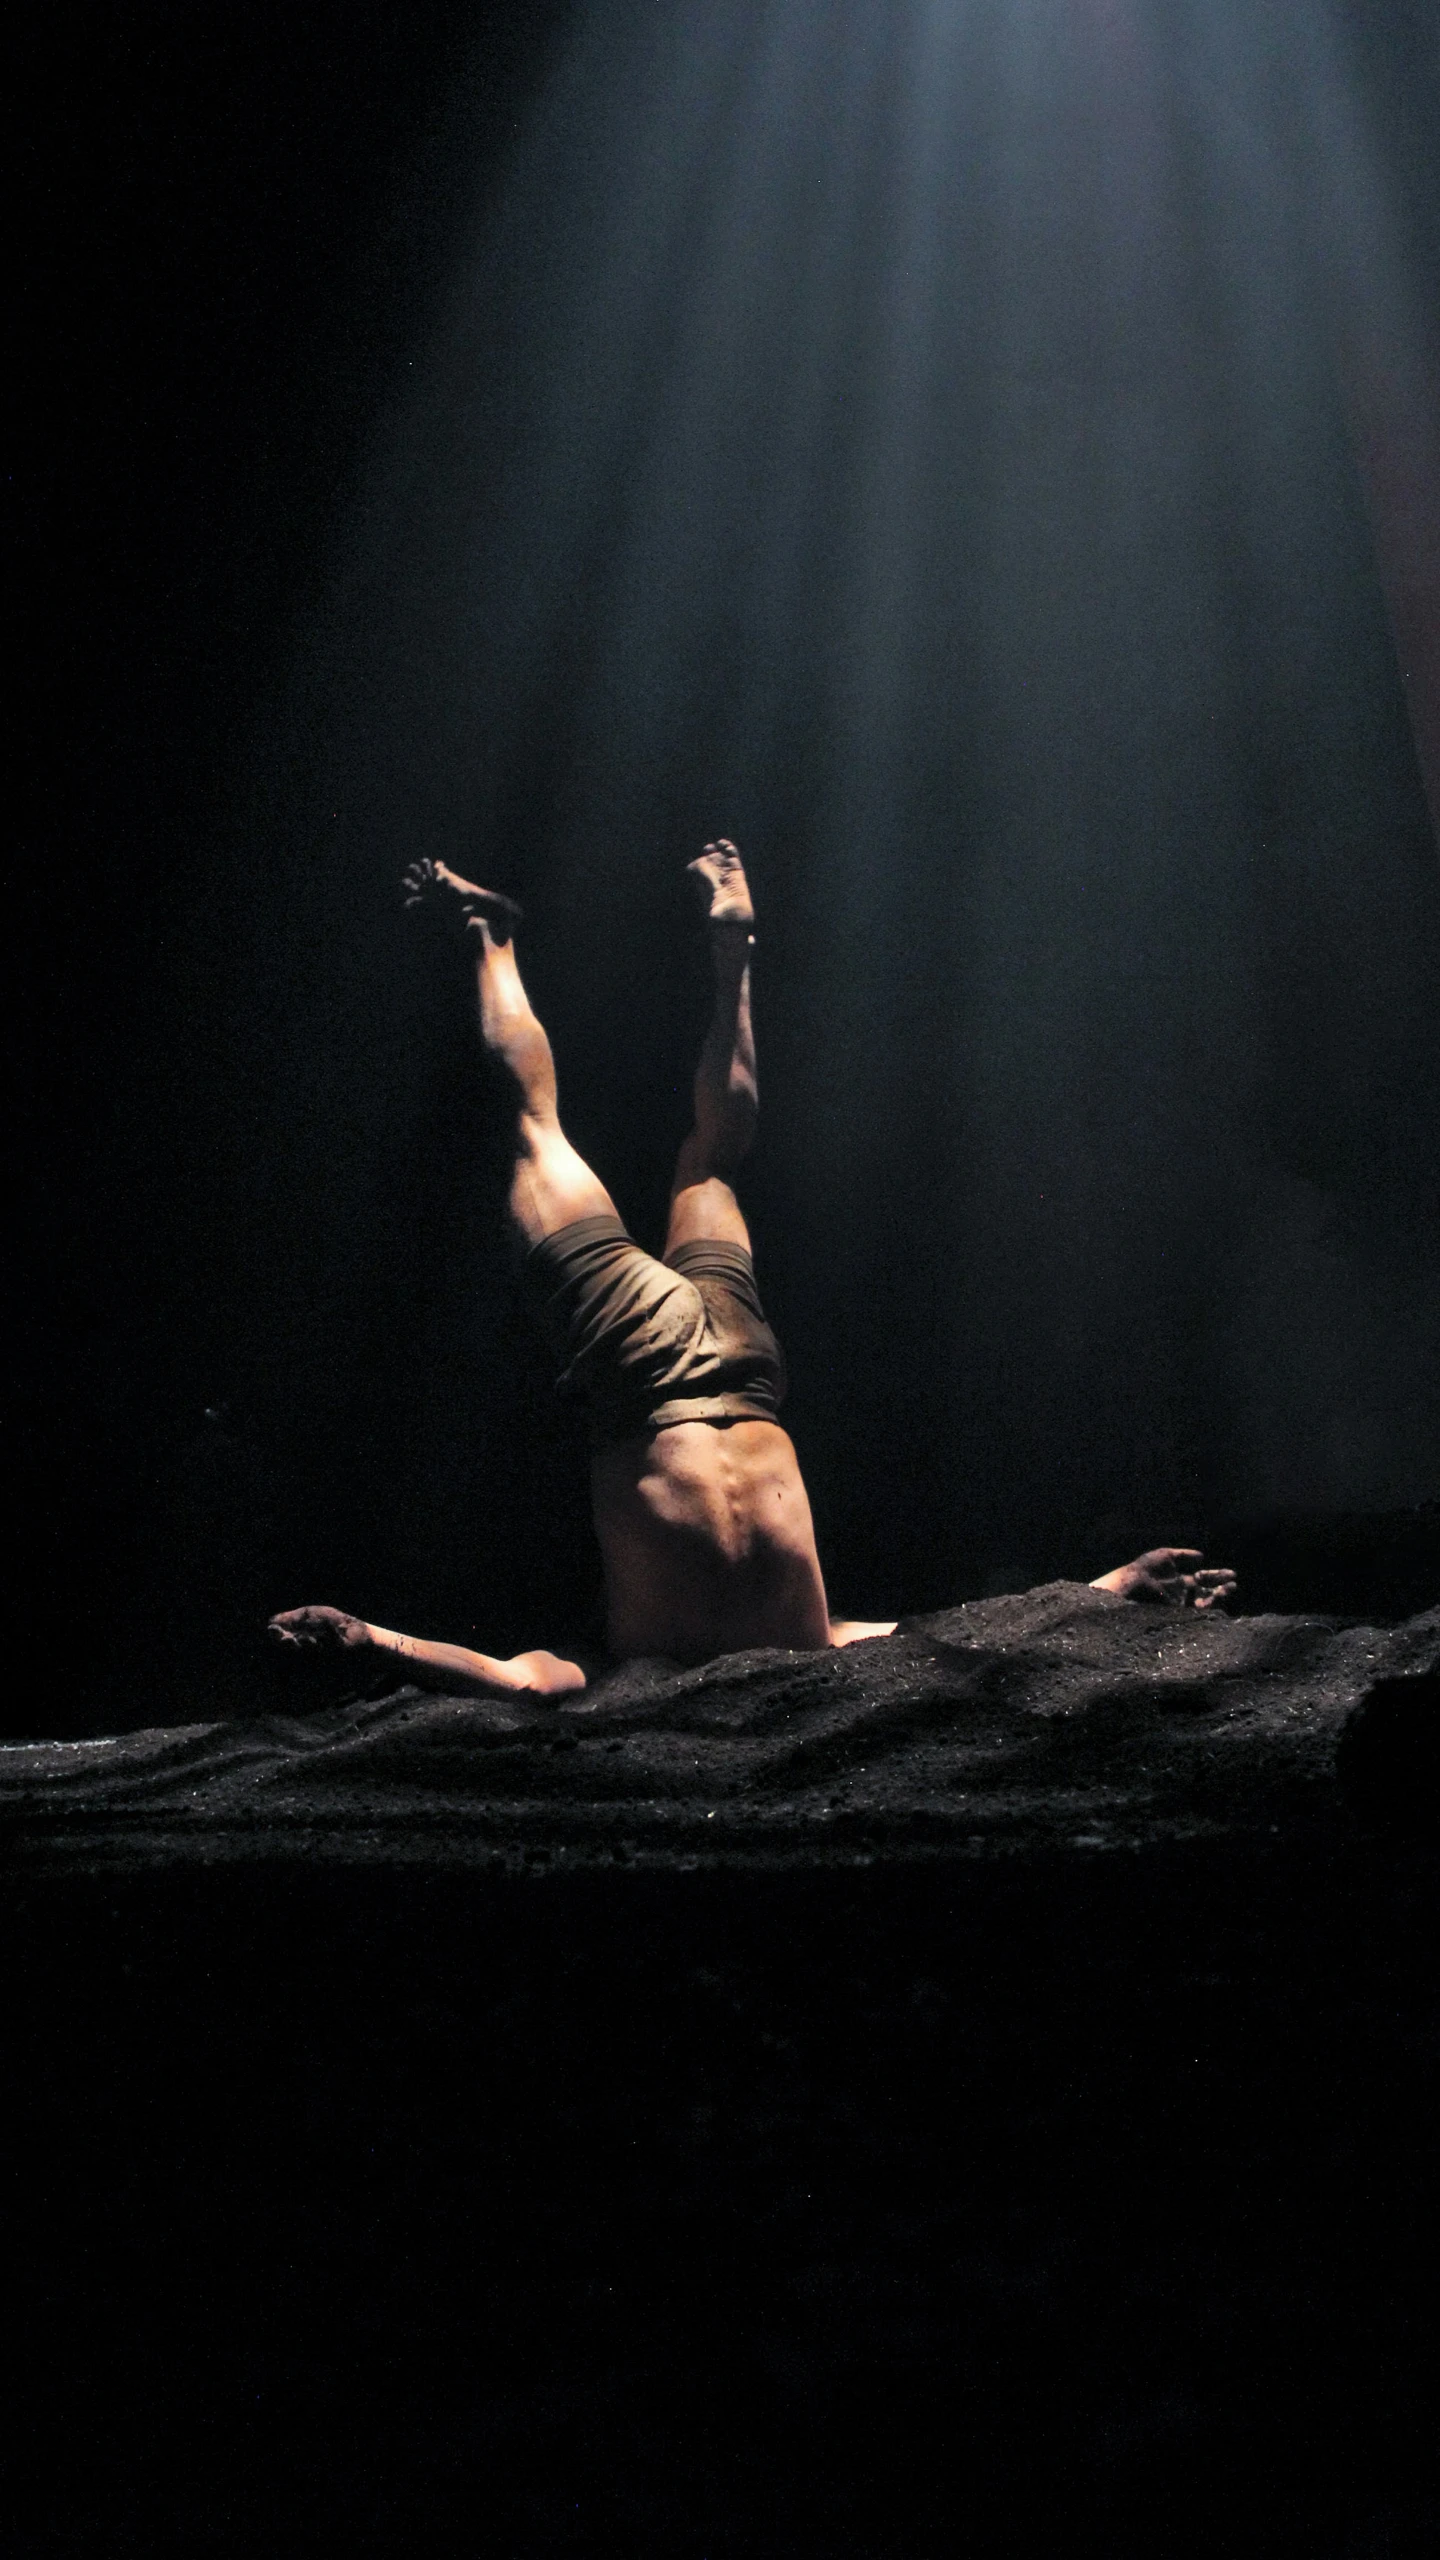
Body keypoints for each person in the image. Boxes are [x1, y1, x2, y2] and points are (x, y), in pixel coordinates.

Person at [270, 842, 1235, 1699]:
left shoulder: (629, 1669)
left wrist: (374, 1637)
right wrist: (1105, 1593)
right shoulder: (821, 1652)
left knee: (597, 1139)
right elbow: (954, 1635)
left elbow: (517, 1678)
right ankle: (642, 940)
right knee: (670, 1154)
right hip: (725, 1369)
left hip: (642, 1372)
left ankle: (523, 936)